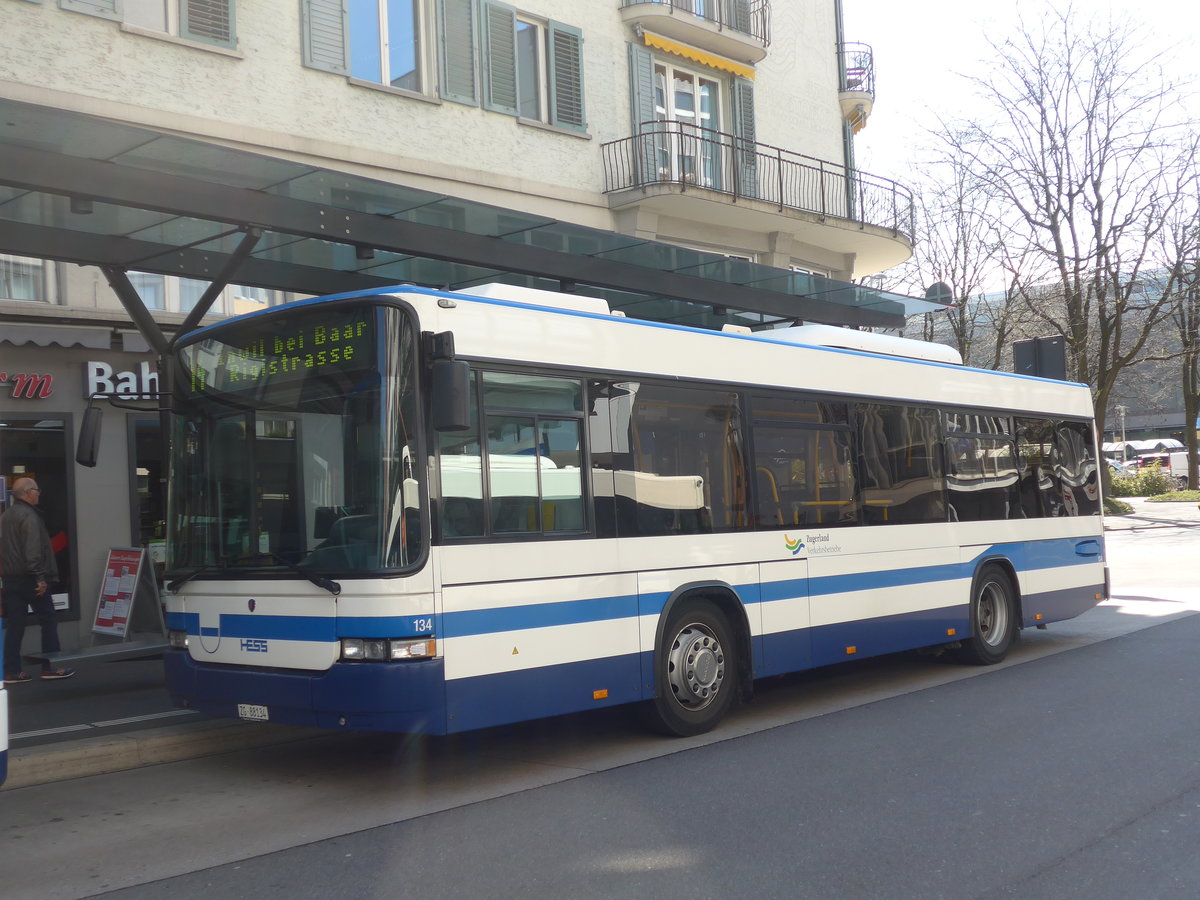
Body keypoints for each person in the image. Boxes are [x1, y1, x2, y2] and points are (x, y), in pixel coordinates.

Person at [2, 477, 74, 683]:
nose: (39, 493)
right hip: (31, 579)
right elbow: (32, 551)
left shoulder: (6, 515)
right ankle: (50, 667)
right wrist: (40, 578)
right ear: (27, 493)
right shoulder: (30, 517)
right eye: (36, 490)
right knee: (48, 619)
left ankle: (11, 671)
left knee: (15, 625)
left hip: (11, 578)